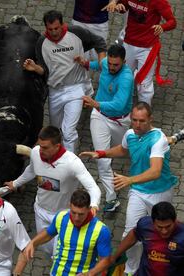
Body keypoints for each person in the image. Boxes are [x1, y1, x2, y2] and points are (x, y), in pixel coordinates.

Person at [79, 102, 178, 274]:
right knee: (130, 232)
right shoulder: (131, 134)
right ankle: (131, 269)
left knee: (161, 232)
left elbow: (155, 171)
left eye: (142, 121)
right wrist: (101, 153)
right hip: (138, 192)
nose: (137, 125)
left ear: (150, 119)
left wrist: (129, 180)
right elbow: (123, 150)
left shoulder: (158, 139)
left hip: (160, 193)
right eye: (134, 120)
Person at [4, 126, 101, 255]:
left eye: (45, 147)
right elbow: (31, 170)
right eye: (40, 145)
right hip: (40, 211)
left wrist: (94, 204)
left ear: (57, 146)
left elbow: (93, 187)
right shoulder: (35, 152)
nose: (40, 150)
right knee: (47, 249)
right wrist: (15, 183)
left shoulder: (72, 163)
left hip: (63, 215)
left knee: (59, 252)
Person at [23, 10, 106, 153]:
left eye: (56, 28)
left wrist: (102, 61)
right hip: (55, 92)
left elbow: (99, 42)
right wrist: (35, 68)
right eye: (50, 29)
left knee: (68, 131)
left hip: (76, 89)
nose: (54, 32)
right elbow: (44, 70)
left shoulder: (76, 33)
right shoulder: (41, 43)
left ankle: (70, 162)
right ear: (45, 28)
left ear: (62, 24)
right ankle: (56, 156)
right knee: (56, 130)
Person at [76, 44, 133, 212]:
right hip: (99, 116)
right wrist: (86, 63)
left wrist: (96, 103)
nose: (112, 67)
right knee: (102, 158)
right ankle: (111, 198)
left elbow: (119, 104)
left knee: (125, 151)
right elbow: (99, 65)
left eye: (116, 65)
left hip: (120, 121)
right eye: (111, 63)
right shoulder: (107, 63)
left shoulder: (127, 78)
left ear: (124, 61)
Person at [104, 0, 177, 105]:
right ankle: (120, 106)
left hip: (147, 48)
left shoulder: (159, 1)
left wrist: (162, 27)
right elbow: (123, 6)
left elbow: (172, 22)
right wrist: (119, 6)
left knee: (144, 85)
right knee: (124, 76)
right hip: (128, 43)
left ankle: (144, 112)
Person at [24, 189, 111, 276]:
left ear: (89, 209)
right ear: (69, 206)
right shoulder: (61, 217)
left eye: (81, 214)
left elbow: (105, 260)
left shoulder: (101, 230)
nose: (76, 218)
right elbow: (48, 233)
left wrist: (88, 274)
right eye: (73, 212)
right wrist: (33, 242)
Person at [108, 202, 184, 276]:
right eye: (160, 227)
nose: (164, 231)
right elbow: (133, 235)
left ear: (175, 221)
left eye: (168, 226)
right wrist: (114, 257)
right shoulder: (145, 225)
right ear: (153, 222)